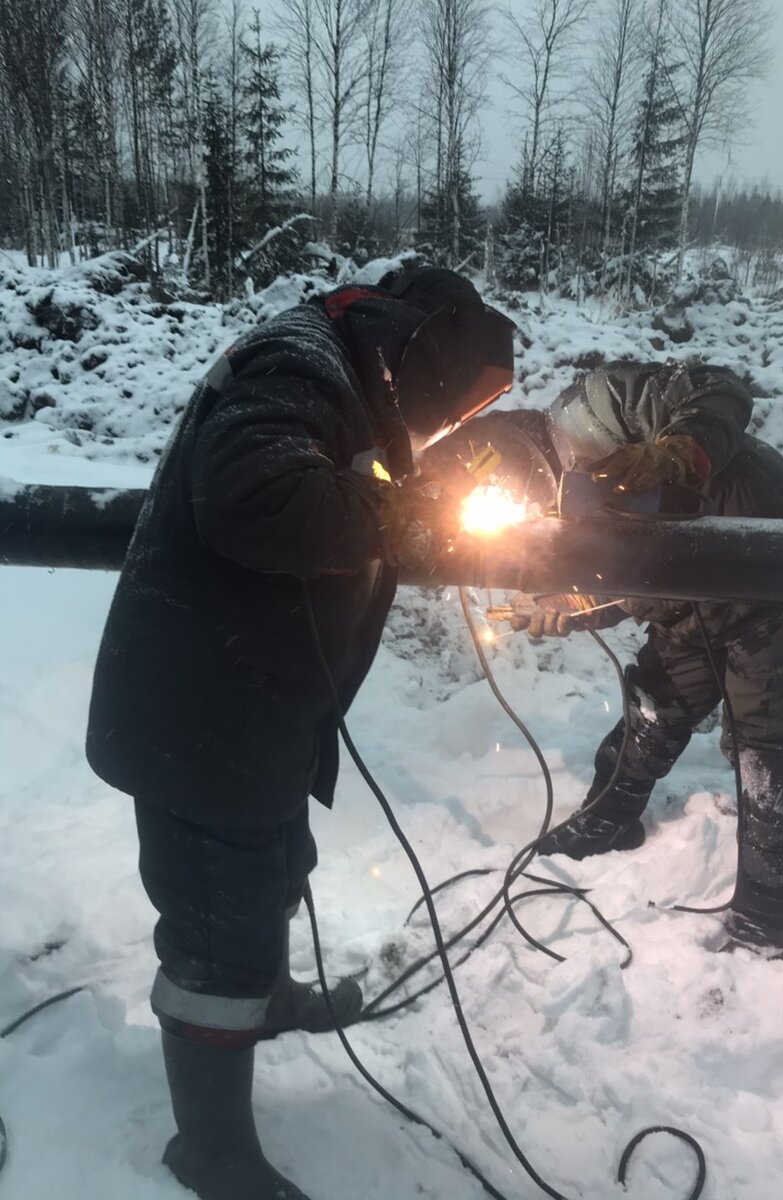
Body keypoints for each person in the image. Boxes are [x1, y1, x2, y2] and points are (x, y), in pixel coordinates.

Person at [85, 266, 515, 1200]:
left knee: (277, 868)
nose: (439, 432)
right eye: (449, 410)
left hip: (254, 716)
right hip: (199, 728)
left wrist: (406, 487)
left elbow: (325, 482)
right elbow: (253, 499)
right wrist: (413, 516)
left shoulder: (342, 370)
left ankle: (267, 1001)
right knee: (214, 932)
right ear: (425, 357)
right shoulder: (300, 362)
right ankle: (211, 1152)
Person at [442, 359, 783, 960]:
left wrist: (681, 452)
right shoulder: (552, 507)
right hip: (689, 598)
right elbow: (618, 575)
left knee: (770, 753)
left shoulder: (594, 410)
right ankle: (611, 818)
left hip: (776, 578)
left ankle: (769, 916)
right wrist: (566, 606)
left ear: (514, 462)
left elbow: (716, 387)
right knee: (654, 706)